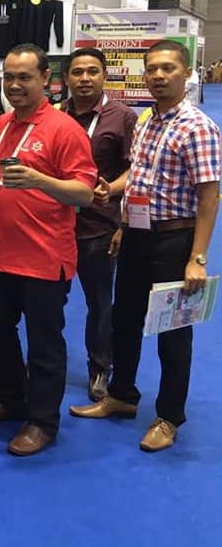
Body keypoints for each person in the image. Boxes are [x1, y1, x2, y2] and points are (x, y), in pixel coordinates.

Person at [71, 41, 221, 452]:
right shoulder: (145, 121)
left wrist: (197, 257)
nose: (158, 75)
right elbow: (138, 176)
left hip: (175, 239)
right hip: (137, 234)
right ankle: (122, 395)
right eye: (151, 68)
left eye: (167, 68)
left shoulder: (197, 127)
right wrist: (120, 214)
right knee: (125, 320)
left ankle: (169, 417)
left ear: (187, 72)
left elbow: (209, 197)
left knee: (172, 332)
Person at [0, 44, 96, 456]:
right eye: (9, 77)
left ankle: (41, 421)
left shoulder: (64, 129)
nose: (15, 85)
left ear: (45, 80)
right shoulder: (1, 125)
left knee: (44, 346)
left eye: (25, 77)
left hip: (42, 259)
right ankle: (11, 399)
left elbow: (85, 193)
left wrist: (40, 181)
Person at [60, 48, 137, 401]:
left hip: (100, 226)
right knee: (49, 300)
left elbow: (136, 169)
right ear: (66, 78)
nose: (84, 78)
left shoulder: (122, 117)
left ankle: (100, 366)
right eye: (77, 72)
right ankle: (47, 361)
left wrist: (117, 202)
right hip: (57, 225)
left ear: (105, 76)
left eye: (92, 71)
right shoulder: (56, 114)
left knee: (100, 303)